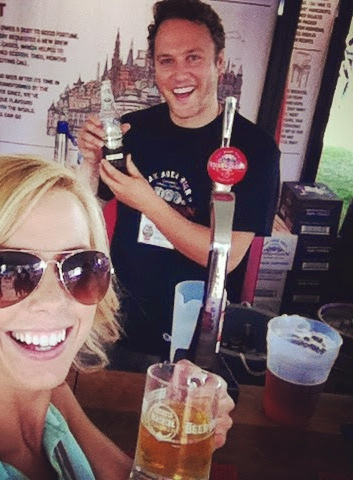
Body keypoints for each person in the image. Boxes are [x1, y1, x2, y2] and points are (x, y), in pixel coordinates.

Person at [0, 155, 234, 479]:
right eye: (6, 271)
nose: (53, 300)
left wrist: (173, 448)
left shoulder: (40, 397)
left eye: (79, 266)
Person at [78, 0, 280, 363]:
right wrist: (90, 164)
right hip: (121, 322)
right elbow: (86, 209)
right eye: (166, 61)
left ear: (219, 62)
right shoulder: (134, 129)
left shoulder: (255, 149)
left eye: (193, 58)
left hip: (199, 333)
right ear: (153, 67)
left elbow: (225, 257)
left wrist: (148, 202)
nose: (179, 74)